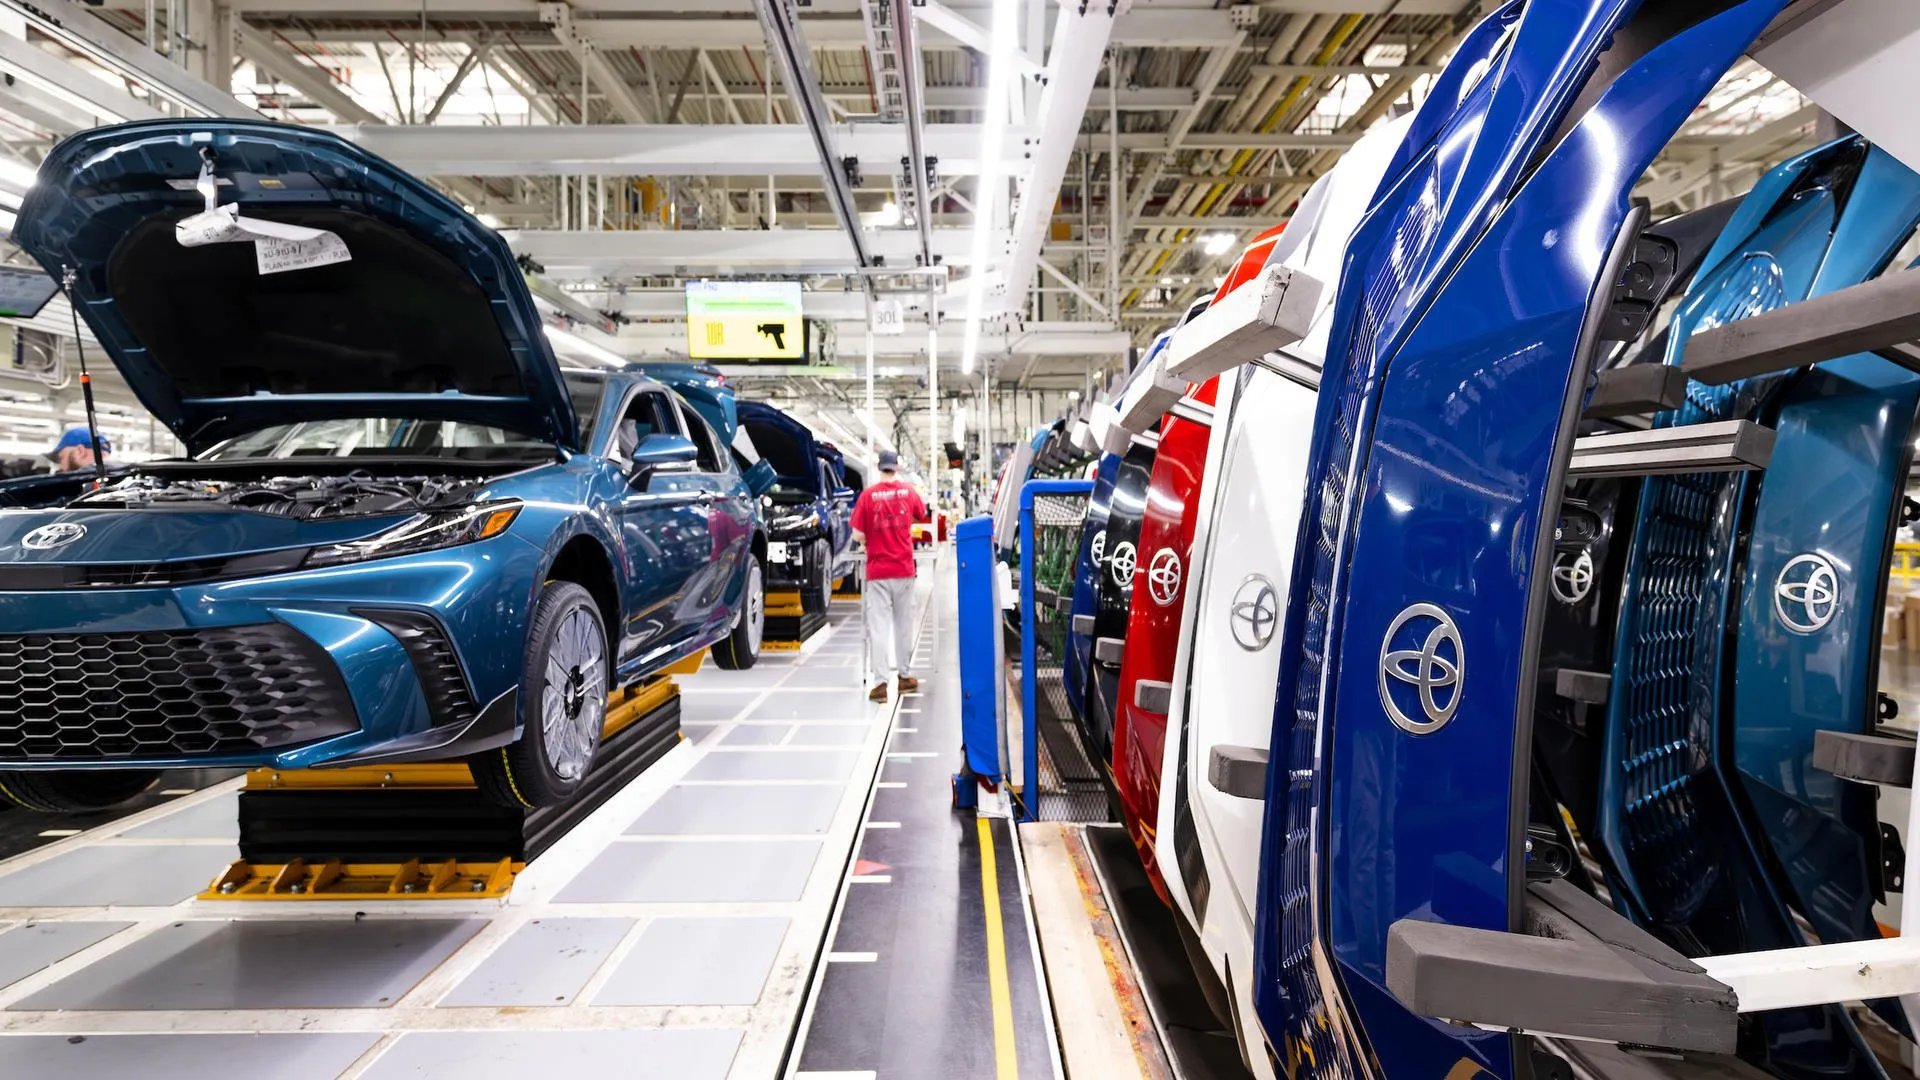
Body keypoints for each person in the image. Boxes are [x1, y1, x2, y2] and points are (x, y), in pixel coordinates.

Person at [850, 449, 929, 703]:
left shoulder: (868, 496)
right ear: (897, 467)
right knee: (904, 625)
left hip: (878, 572)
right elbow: (922, 514)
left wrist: (869, 540)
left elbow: (857, 534)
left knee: (879, 628)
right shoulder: (908, 491)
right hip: (903, 569)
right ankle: (904, 677)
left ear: (878, 467)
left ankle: (880, 684)